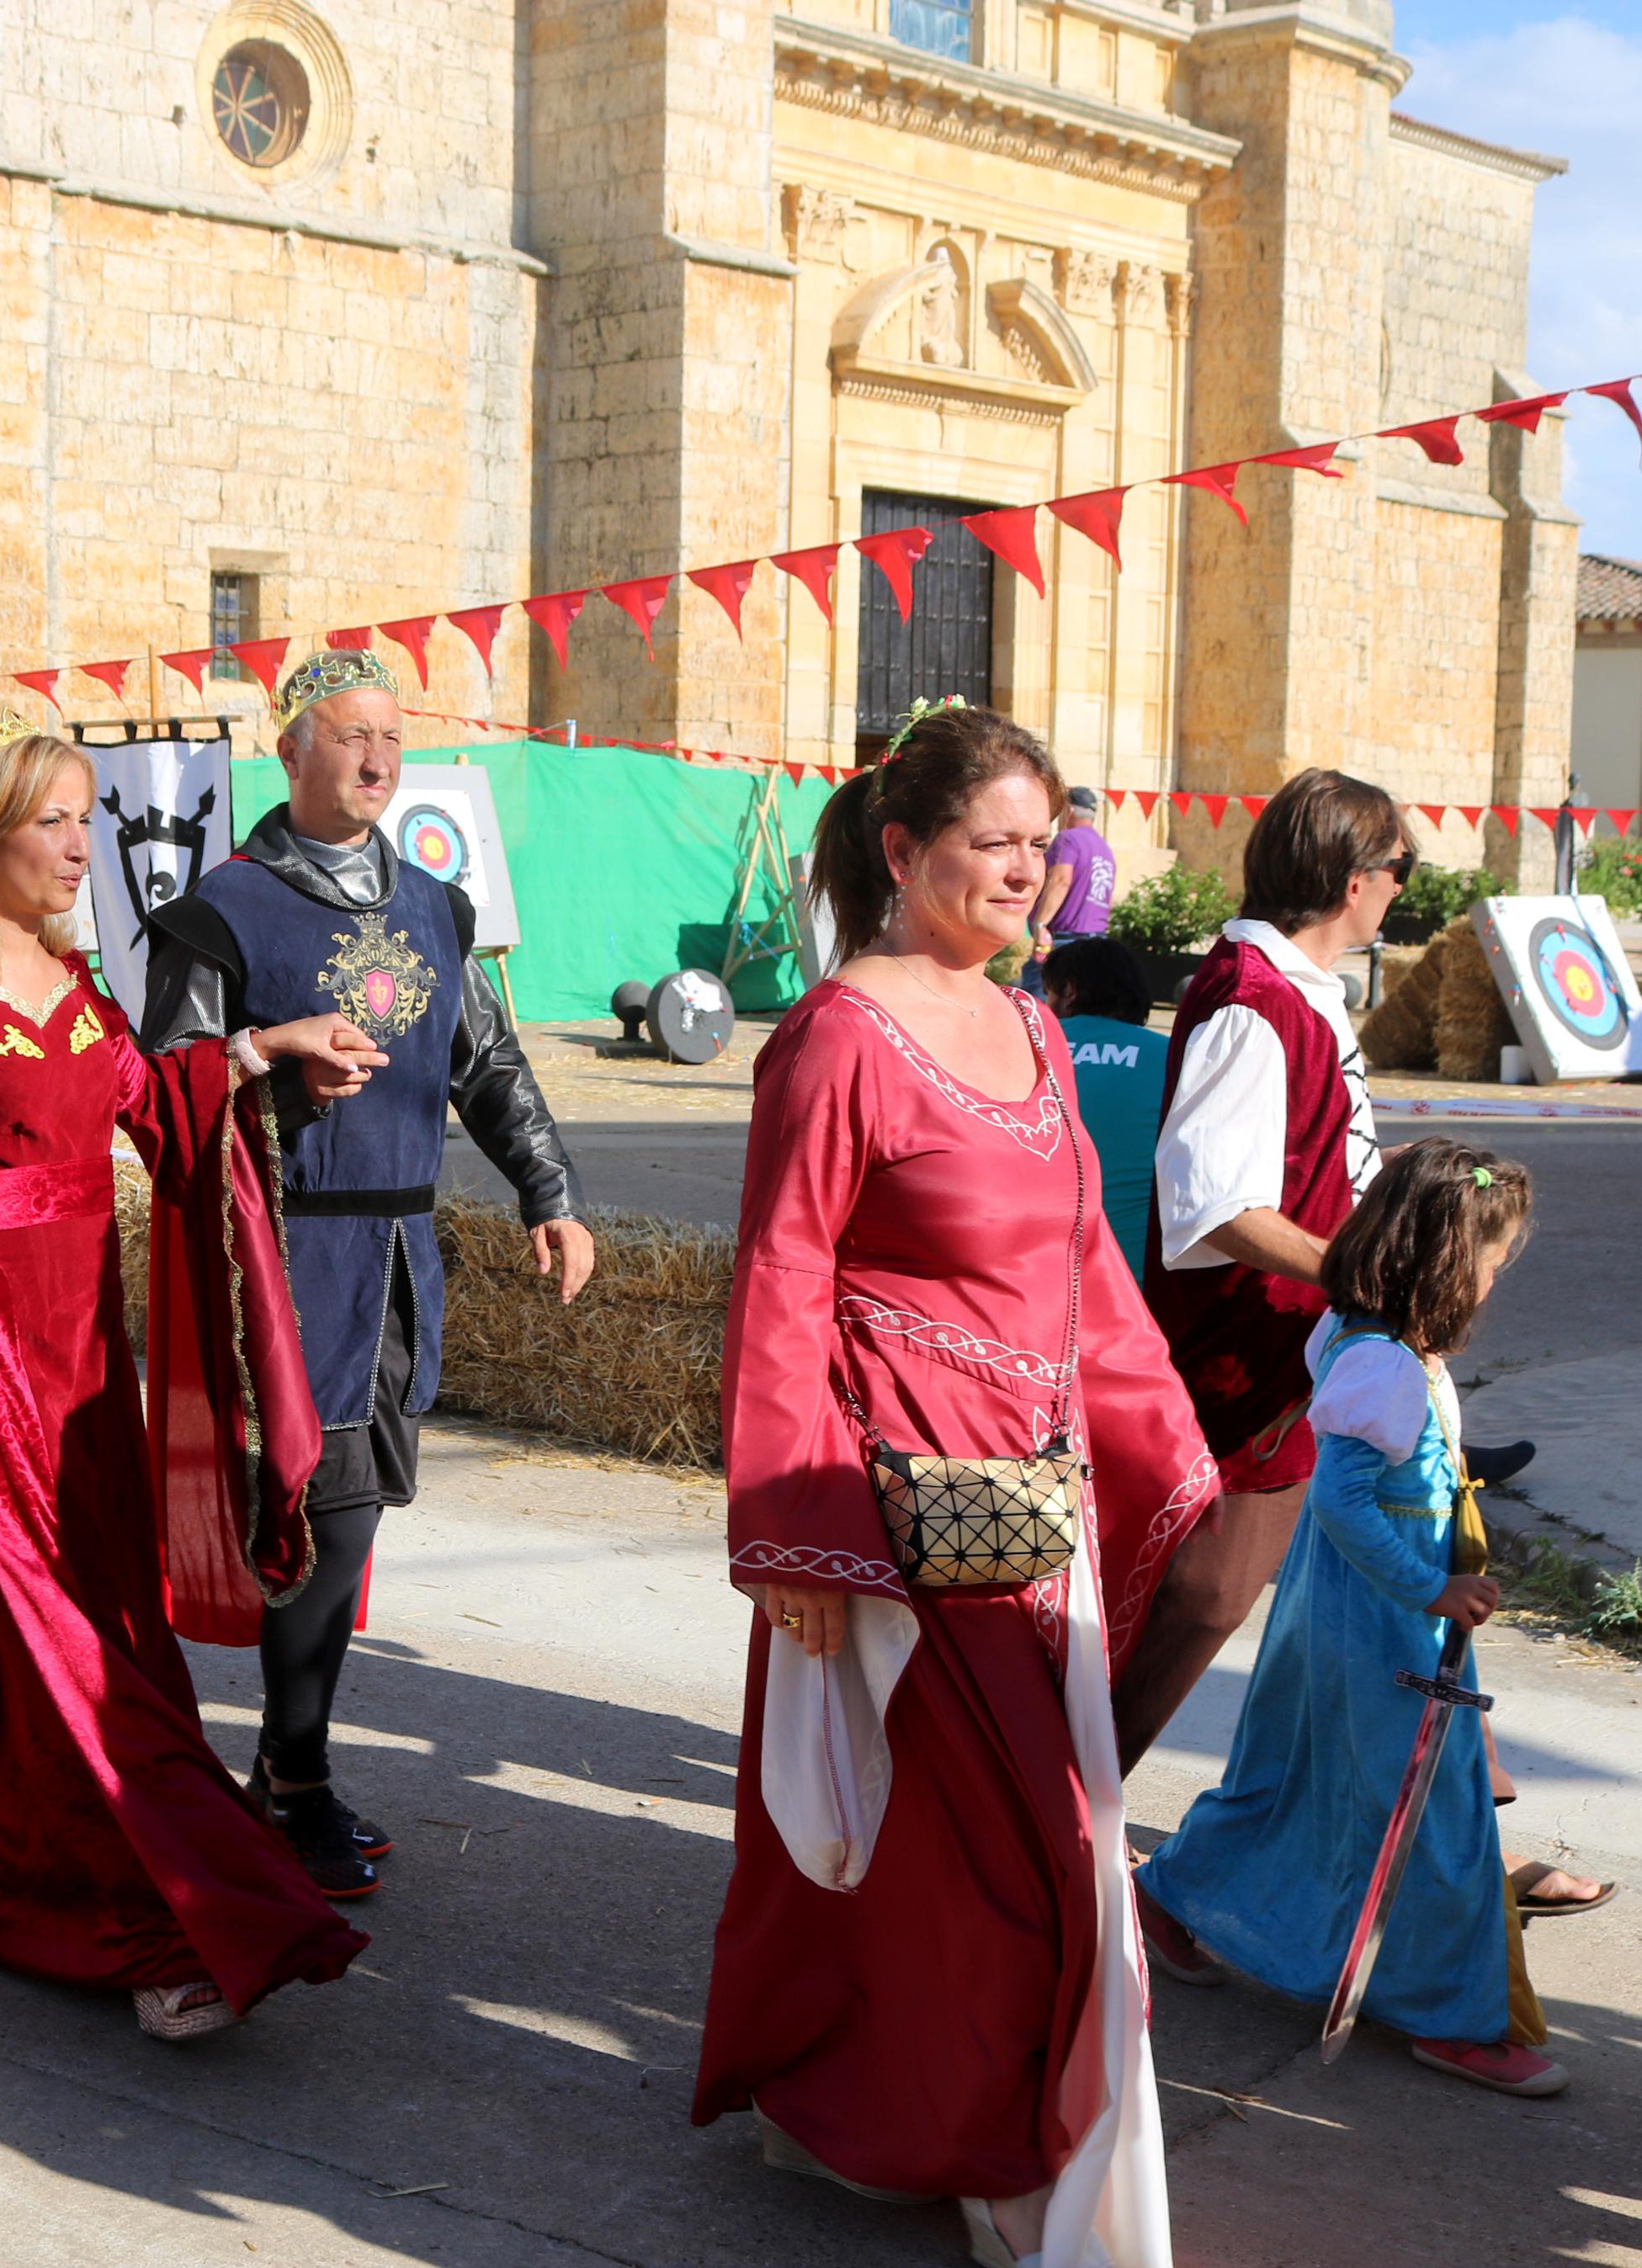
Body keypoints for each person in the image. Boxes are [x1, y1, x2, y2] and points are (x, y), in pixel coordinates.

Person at [695, 705, 1218, 2268]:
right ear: (900, 850)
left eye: (1039, 842)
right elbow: (779, 1280)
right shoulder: (837, 1037)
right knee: (1003, 1860)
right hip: (890, 1503)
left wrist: (1161, 1447)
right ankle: (995, 2146)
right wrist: (796, 1527)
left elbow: (1080, 1270)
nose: (1022, 871)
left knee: (967, 1859)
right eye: (988, 843)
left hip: (1030, 1510)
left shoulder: (1041, 1026)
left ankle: (893, 2108)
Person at [0, 720, 381, 2039]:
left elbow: (157, 1107)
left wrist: (270, 1043)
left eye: (85, 817)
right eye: (51, 820)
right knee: (58, 1643)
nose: (79, 845)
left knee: (88, 1634)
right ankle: (149, 1912)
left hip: (79, 1366)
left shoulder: (78, 988)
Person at [138, 648, 591, 1897]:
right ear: (288, 753)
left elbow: (485, 1064)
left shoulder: (434, 907)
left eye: (392, 735)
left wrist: (546, 1190)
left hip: (397, 1248)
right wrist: (272, 1064)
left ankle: (286, 1770)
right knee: (318, 1518)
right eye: (348, 734)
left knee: (351, 1512)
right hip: (286, 1252)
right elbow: (153, 1089)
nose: (377, 757)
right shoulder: (218, 910)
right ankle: (291, 1776)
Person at [1133, 1139, 1569, 2098]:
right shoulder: (1382, 1370)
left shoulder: (1354, 1334)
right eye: (1494, 1258)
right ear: (1451, 1265)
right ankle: (1453, 2016)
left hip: (1334, 1610)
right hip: (1384, 1626)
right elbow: (1343, 1500)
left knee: (1297, 1773)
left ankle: (1168, 1894)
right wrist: (1431, 1587)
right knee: (1435, 1816)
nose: (1499, 1275)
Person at [1112, 768, 1401, 1775]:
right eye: (1397, 867)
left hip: (1303, 1359)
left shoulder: (1290, 993)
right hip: (1249, 1365)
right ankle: (1062, 1817)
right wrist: (1361, 1275)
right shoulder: (1252, 1000)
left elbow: (1296, 1161)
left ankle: (1438, 1833)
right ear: (1353, 877)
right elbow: (1217, 1206)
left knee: (1380, 1592)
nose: (1400, 889)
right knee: (1205, 1597)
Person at [1042, 936, 1166, 1277]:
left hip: (1028, 1271)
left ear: (1069, 991)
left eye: (1049, 992)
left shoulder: (1025, 1041)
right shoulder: (1174, 1056)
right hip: (1130, 1276)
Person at [1030, 782, 1116, 965]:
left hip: (1066, 940)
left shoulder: (1068, 838)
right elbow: (1109, 900)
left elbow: (1061, 880)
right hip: (1099, 942)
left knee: (1034, 988)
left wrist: (1040, 924)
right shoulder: (1105, 849)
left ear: (1068, 811)